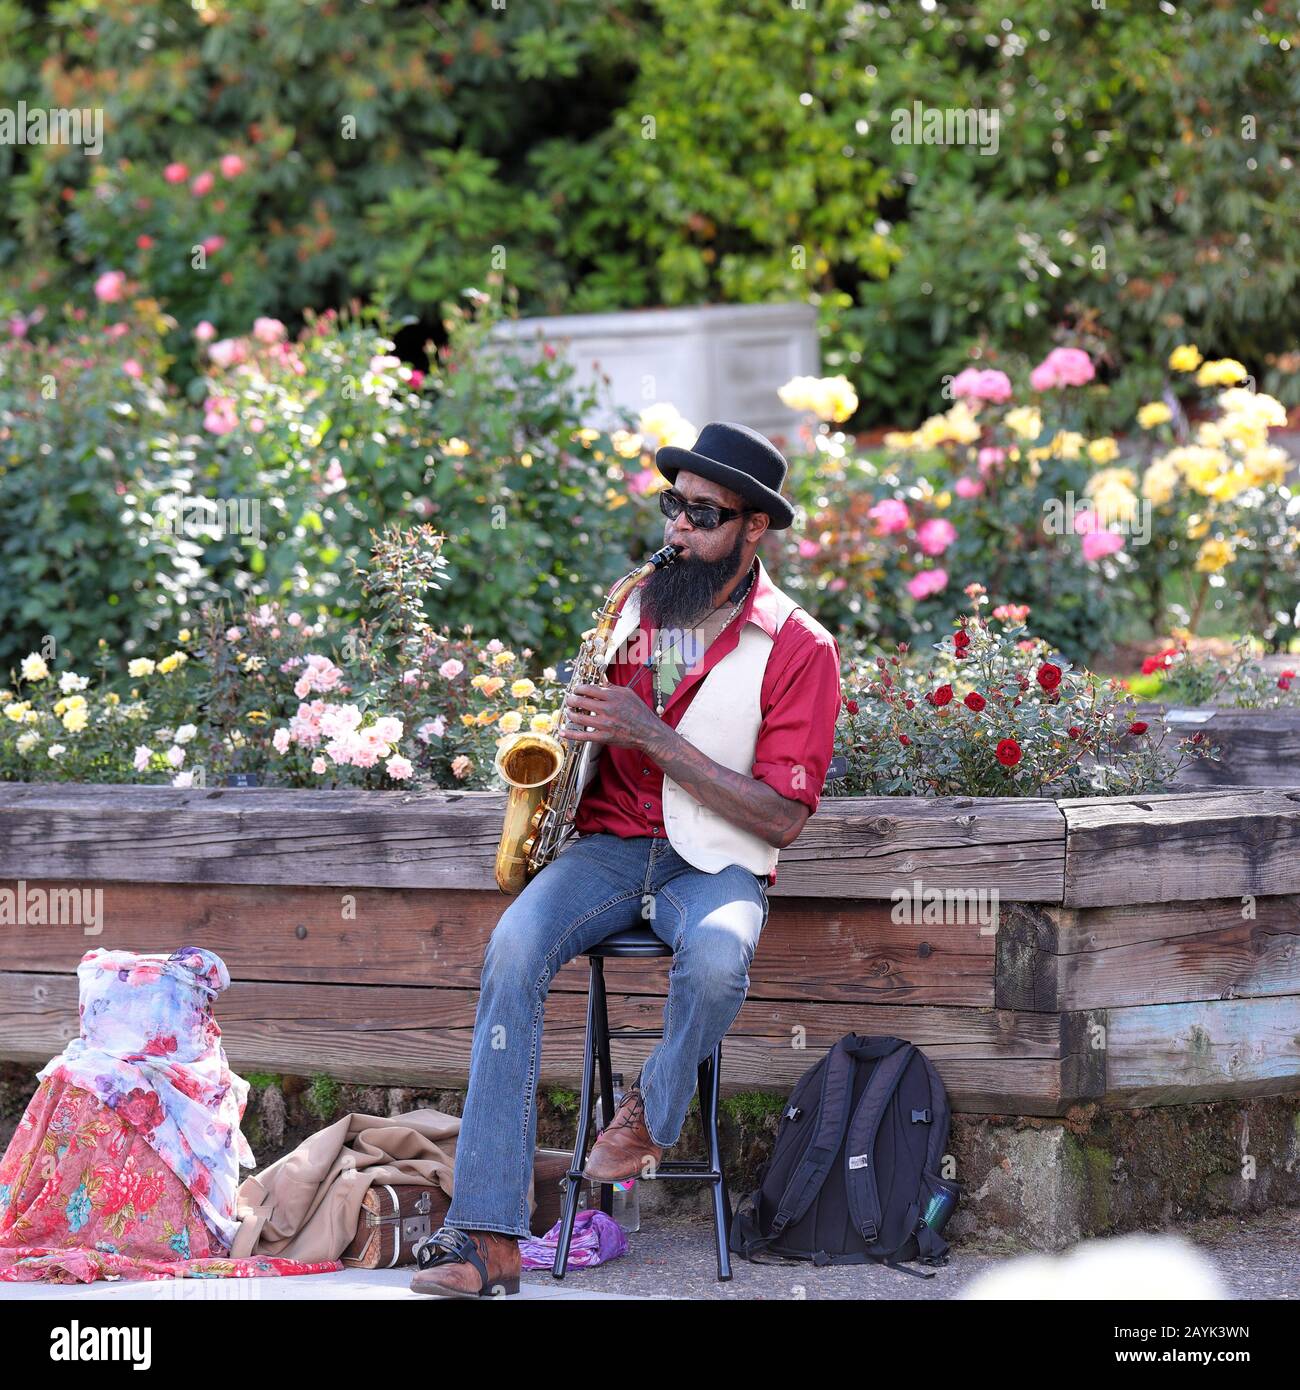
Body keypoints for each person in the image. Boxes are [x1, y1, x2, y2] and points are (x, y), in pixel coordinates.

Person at [411, 421, 843, 1297]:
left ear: (753, 528)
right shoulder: (642, 609)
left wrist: (654, 736)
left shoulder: (800, 648)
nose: (678, 529)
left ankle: (651, 1109)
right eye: (672, 506)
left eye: (703, 514)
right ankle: (486, 1240)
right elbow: (613, 727)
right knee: (510, 954)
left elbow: (783, 815)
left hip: (717, 863)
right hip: (609, 846)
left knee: (719, 957)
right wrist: (573, 747)